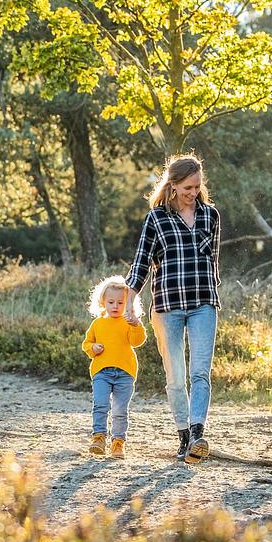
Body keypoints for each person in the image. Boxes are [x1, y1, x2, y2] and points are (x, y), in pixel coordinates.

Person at [125, 154, 222, 464]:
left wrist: (213, 289)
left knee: (200, 373)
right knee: (176, 377)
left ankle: (197, 434)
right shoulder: (157, 218)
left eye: (197, 186)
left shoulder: (210, 216)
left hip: (203, 303)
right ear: (174, 185)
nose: (193, 192)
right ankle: (183, 435)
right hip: (167, 306)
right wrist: (129, 302)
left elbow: (213, 261)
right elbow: (141, 263)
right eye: (187, 187)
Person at [80, 275, 147, 459]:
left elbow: (137, 341)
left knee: (119, 410)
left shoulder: (128, 322)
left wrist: (136, 324)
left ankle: (118, 442)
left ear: (128, 303)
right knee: (100, 405)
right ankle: (99, 438)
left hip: (125, 373)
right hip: (101, 372)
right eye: (111, 302)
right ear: (103, 302)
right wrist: (93, 348)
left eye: (120, 302)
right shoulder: (98, 323)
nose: (115, 306)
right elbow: (86, 343)